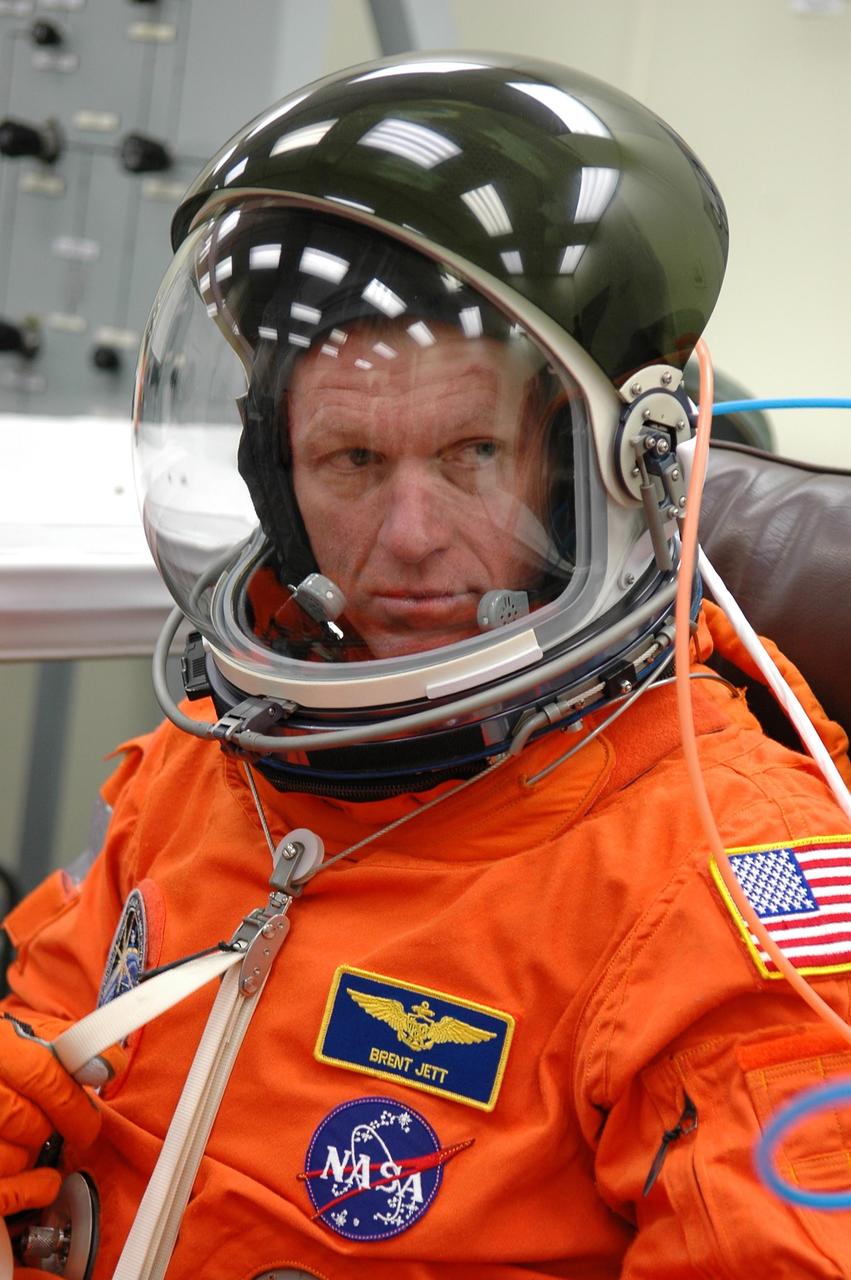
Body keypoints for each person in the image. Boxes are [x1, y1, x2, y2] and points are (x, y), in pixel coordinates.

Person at [3, 51, 851, 1280]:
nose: (405, 539)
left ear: (575, 475)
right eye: (349, 460)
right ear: (273, 481)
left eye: (467, 453)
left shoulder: (721, 884)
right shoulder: (218, 754)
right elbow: (50, 1011)